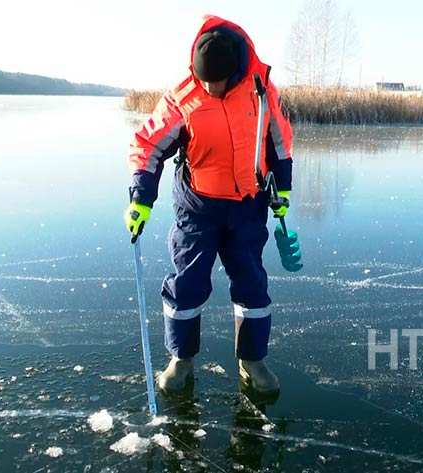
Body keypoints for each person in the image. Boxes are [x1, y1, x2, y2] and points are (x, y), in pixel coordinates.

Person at [124, 15, 294, 394]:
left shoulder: (260, 88)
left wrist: (282, 189)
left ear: (232, 72)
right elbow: (148, 145)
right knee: (187, 282)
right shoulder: (184, 96)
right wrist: (141, 199)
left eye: (215, 82)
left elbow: (280, 139)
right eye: (204, 82)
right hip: (197, 207)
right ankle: (180, 359)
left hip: (248, 205)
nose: (210, 87)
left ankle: (252, 360)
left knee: (252, 283)